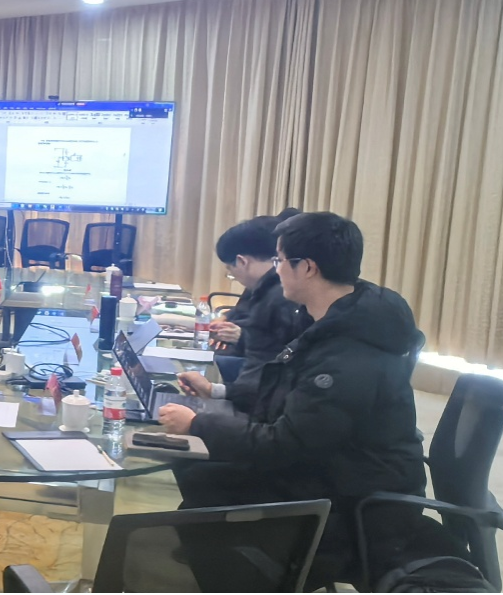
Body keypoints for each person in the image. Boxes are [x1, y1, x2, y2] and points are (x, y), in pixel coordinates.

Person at [160, 212, 426, 585]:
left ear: (308, 268)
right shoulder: (333, 320)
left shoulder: (348, 354)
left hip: (353, 506)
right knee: (200, 473)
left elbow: (285, 444)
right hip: (335, 472)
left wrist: (199, 423)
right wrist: (218, 394)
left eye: (280, 260)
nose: (276, 270)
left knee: (203, 488)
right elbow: (286, 394)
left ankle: (254, 572)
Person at [189, 210, 311, 413]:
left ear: (242, 261)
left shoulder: (278, 296)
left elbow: (261, 375)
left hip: (264, 409)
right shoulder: (268, 289)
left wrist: (211, 406)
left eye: (281, 261)